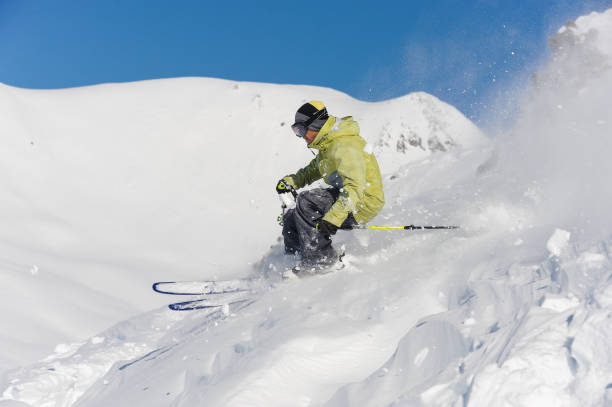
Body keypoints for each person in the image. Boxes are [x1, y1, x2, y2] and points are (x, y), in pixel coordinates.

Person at [276, 101, 385, 272]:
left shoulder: (344, 146)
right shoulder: (328, 146)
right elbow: (312, 171)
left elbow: (355, 187)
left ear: (315, 124)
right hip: (347, 198)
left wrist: (334, 218)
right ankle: (294, 260)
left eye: (301, 130)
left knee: (307, 202)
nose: (301, 136)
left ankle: (322, 261)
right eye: (296, 131)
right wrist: (290, 182)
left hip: (363, 201)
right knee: (292, 215)